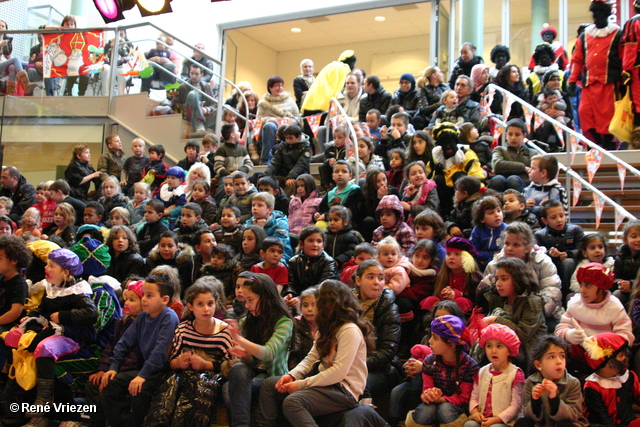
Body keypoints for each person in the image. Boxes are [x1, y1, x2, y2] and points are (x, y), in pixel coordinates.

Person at [256, 280, 374, 426]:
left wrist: (301, 384)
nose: (314, 307)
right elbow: (311, 358)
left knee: (293, 402)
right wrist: (292, 375)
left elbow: (339, 372)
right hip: (324, 385)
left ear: (330, 304)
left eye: (317, 301)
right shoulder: (326, 328)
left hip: (344, 391)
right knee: (269, 385)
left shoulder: (349, 330)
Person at [145, 279, 232, 427]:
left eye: (210, 304)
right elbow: (172, 360)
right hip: (184, 373)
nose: (206, 309)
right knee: (169, 391)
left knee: (198, 391)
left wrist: (206, 364)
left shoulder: (225, 331)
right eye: (200, 304)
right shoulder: (183, 329)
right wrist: (179, 362)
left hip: (211, 376)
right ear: (190, 306)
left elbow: (230, 366)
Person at [100, 271, 180, 426]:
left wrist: (142, 376)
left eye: (149, 295)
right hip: (146, 370)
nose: (143, 299)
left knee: (139, 391)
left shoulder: (168, 317)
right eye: (143, 294)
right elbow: (124, 342)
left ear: (165, 300)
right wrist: (113, 367)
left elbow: (160, 352)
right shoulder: (143, 316)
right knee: (110, 383)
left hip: (163, 372)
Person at [222, 271, 294, 427]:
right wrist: (246, 356)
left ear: (266, 299)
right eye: (246, 300)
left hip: (275, 379)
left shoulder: (285, 322)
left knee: (232, 389)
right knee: (237, 371)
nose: (247, 306)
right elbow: (252, 362)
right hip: (253, 376)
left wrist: (239, 339)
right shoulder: (247, 321)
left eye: (251, 300)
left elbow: (268, 354)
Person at [405, 314, 479, 427]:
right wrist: (429, 395)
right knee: (425, 411)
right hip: (435, 402)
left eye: (435, 337)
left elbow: (464, 398)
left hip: (455, 407)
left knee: (445, 409)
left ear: (451, 344)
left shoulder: (470, 366)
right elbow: (426, 388)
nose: (430, 341)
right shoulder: (429, 361)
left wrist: (441, 400)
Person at [568, 0, 622, 150]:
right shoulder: (585, 36)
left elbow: (624, 58)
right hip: (589, 84)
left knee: (607, 117)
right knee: (584, 113)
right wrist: (572, 81)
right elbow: (577, 59)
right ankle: (595, 143)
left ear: (606, 15)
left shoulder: (617, 33)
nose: (595, 17)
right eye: (594, 13)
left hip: (609, 84)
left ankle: (607, 145)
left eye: (598, 13)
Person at [517, 335, 588, 427]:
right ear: (538, 364)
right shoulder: (530, 382)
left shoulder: (572, 382)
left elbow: (574, 414)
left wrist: (554, 398)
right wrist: (535, 400)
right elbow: (526, 414)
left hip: (565, 423)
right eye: (551, 357)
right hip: (541, 424)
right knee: (523, 423)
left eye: (562, 356)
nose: (559, 361)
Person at [465, 324, 525, 427]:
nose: (493, 351)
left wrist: (496, 419)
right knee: (470, 425)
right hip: (483, 418)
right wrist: (475, 413)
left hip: (505, 421)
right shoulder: (482, 372)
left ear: (509, 350)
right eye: (489, 346)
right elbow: (474, 397)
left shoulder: (515, 374)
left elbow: (516, 406)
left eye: (499, 346)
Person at [582, 332, 640, 426]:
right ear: (607, 362)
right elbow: (600, 416)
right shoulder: (593, 386)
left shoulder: (629, 377)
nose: (626, 359)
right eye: (621, 356)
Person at [534, 200, 584, 298]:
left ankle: (567, 295)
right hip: (549, 267)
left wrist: (568, 254)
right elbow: (537, 253)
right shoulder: (539, 235)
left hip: (572, 266)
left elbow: (583, 250)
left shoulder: (575, 230)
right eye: (553, 217)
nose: (559, 220)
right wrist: (549, 254)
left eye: (561, 216)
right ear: (545, 220)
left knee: (568, 262)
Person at [422, 237, 482, 315]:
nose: (451, 257)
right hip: (443, 307)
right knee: (431, 300)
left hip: (465, 312)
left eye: (457, 254)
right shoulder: (441, 275)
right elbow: (435, 294)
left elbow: (476, 301)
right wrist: (444, 294)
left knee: (461, 302)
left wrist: (458, 295)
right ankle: (429, 325)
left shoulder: (475, 277)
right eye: (448, 254)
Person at [256, 75, 300, 164]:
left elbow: (297, 117)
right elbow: (259, 119)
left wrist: (290, 120)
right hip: (270, 127)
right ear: (270, 87)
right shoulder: (263, 103)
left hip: (287, 126)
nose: (280, 88)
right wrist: (270, 120)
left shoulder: (290, 101)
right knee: (269, 126)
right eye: (277, 86)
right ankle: (266, 161)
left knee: (285, 127)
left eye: (281, 85)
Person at [489, 119, 535, 193]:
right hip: (502, 182)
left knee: (513, 179)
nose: (513, 138)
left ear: (524, 136)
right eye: (510, 134)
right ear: (506, 135)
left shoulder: (532, 153)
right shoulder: (499, 149)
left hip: (523, 185)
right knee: (498, 179)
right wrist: (523, 168)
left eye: (517, 134)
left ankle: (520, 202)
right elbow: (497, 165)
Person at [264, 124, 311, 196]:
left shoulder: (306, 147)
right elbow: (275, 162)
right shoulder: (282, 146)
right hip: (283, 175)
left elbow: (301, 165)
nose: (288, 141)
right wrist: (266, 175)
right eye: (286, 138)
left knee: (292, 184)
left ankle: (285, 202)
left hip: (299, 176)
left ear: (298, 136)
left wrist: (291, 177)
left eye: (291, 138)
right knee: (270, 182)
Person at [178, 65, 216, 133]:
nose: (193, 76)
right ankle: (199, 123)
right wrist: (194, 104)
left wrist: (206, 109)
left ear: (202, 75)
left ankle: (203, 123)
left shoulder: (207, 86)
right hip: (190, 114)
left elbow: (214, 103)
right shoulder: (183, 86)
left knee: (225, 107)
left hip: (204, 115)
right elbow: (179, 105)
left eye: (196, 74)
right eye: (192, 73)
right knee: (193, 94)